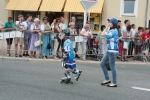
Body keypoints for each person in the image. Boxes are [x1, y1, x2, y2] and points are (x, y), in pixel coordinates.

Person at [100, 18, 118, 87]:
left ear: (113, 23)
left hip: (112, 51)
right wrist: (108, 27)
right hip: (110, 50)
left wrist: (107, 27)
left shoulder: (113, 31)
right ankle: (107, 79)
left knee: (112, 66)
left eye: (110, 22)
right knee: (102, 63)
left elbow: (102, 34)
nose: (108, 23)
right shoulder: (113, 30)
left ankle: (114, 82)